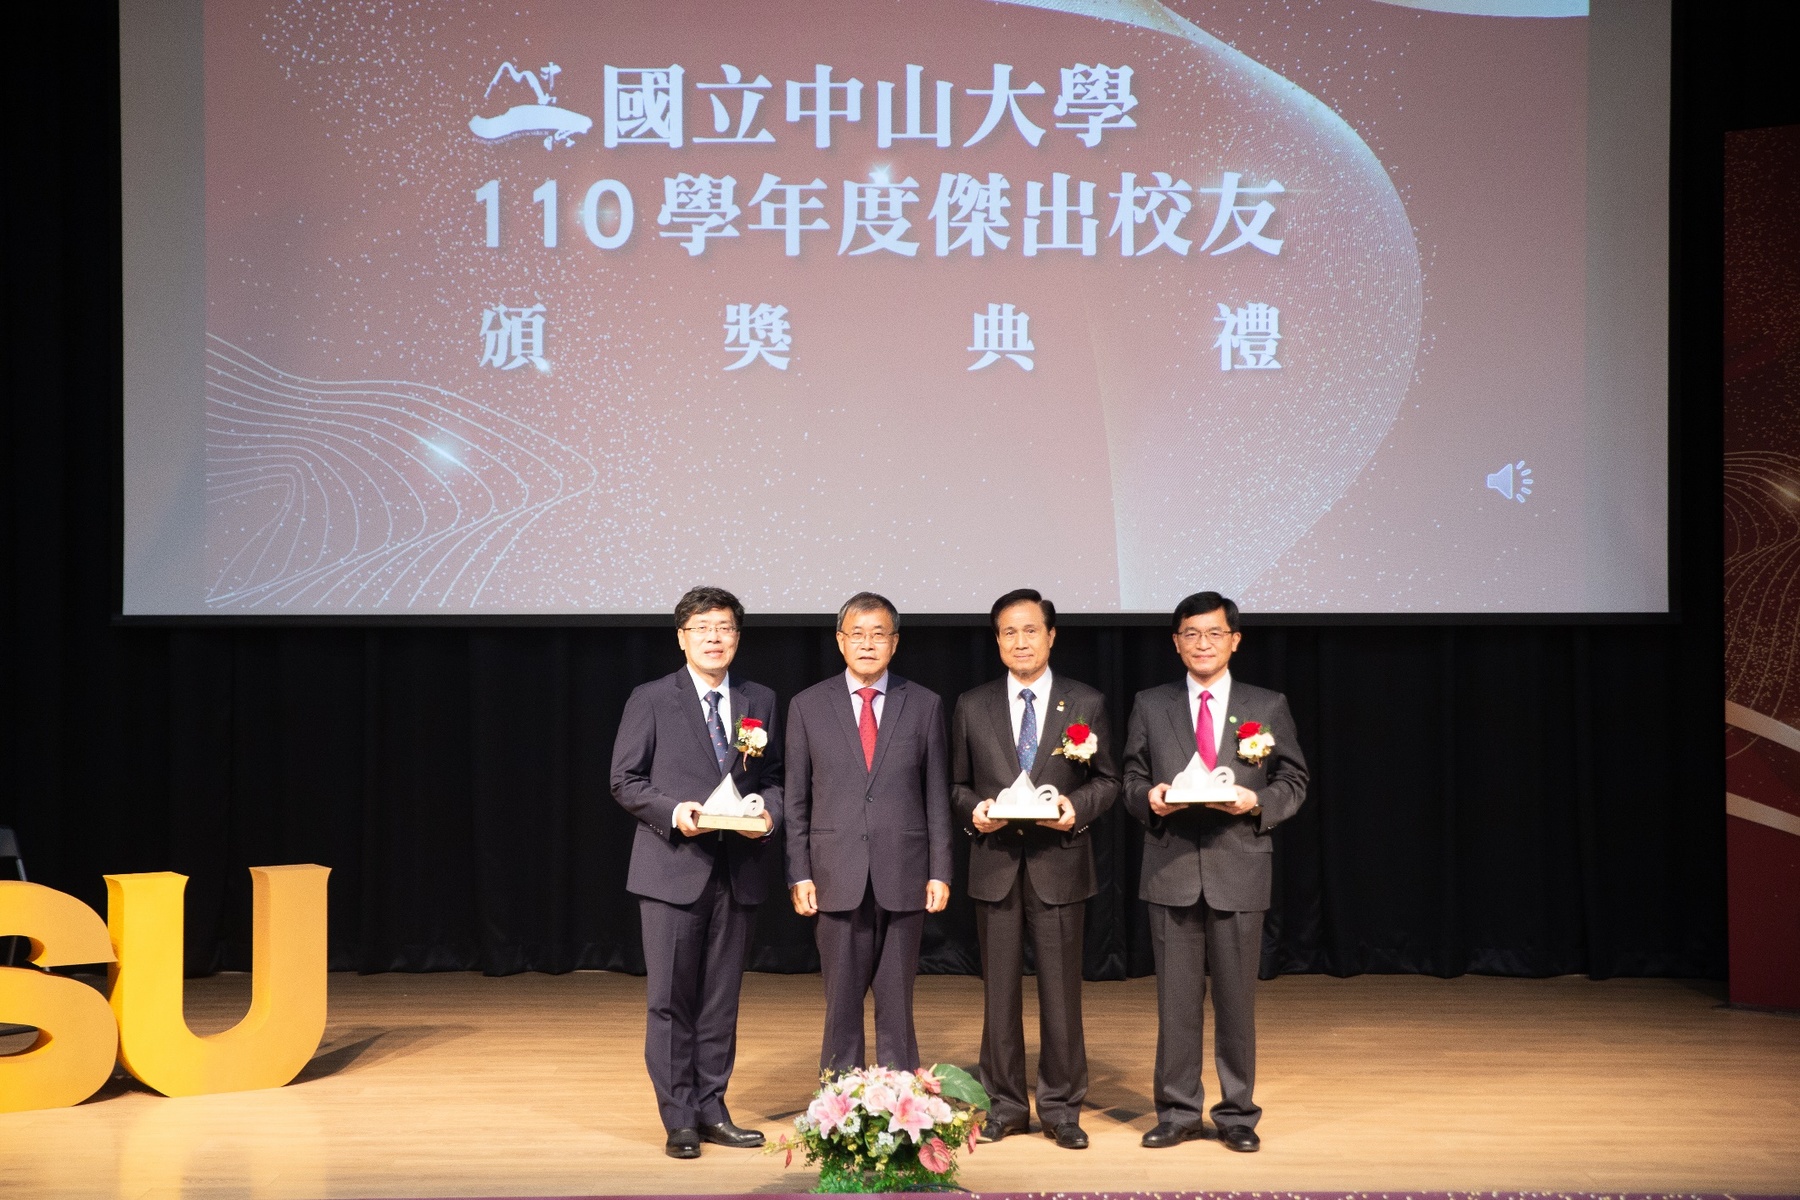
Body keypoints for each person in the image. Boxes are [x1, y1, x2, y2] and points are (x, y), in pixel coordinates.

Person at [1121, 591, 1308, 1154]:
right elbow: (1129, 777)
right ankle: (1177, 1112)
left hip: (1240, 868)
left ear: (1234, 639)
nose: (1203, 644)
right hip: (1171, 868)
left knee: (1235, 1001)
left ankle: (1236, 1114)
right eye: (1191, 634)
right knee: (1175, 1003)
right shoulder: (1150, 704)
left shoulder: (1266, 703)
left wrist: (1255, 804)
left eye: (1214, 633)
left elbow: (1293, 781)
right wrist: (1150, 797)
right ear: (1176, 642)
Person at [610, 586, 784, 1160]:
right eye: (703, 627)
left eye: (725, 627)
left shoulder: (761, 698)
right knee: (669, 999)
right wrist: (674, 812)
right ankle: (679, 1115)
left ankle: (713, 1107)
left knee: (720, 1000)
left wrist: (769, 812)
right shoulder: (653, 697)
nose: (715, 637)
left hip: (739, 871)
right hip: (672, 869)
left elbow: (777, 779)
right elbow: (625, 781)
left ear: (738, 636)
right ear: (681, 636)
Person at [952, 589, 1120, 1150]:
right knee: (998, 992)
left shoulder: (1086, 702)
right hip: (994, 862)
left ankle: (1060, 1106)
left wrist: (1077, 810)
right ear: (996, 640)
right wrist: (973, 812)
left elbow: (1109, 781)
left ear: (1051, 635)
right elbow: (955, 784)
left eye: (1030, 630)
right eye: (1008, 632)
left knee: (1061, 992)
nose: (1019, 641)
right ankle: (1002, 1105)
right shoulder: (972, 705)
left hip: (1060, 862)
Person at [785, 591, 952, 1073]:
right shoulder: (807, 706)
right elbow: (796, 801)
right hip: (834, 875)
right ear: (840, 641)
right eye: (856, 634)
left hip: (904, 873)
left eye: (878, 634)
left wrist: (940, 871)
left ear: (894, 643)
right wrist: (799, 874)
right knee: (840, 1004)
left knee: (898, 1005)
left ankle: (902, 1106)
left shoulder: (923, 704)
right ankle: (837, 1104)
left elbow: (937, 796)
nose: (867, 643)